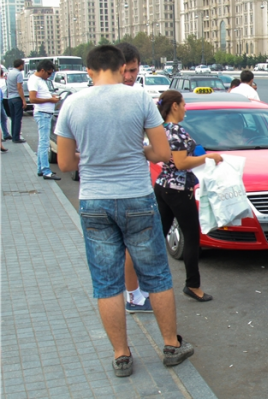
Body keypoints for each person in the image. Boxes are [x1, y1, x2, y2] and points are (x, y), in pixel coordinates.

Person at [55, 45, 194, 377]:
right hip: (136, 198)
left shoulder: (72, 104)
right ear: (121, 68)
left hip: (94, 202)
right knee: (157, 275)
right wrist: (137, 151)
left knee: (106, 283)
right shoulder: (140, 100)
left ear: (90, 71)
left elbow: (63, 163)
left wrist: (90, 158)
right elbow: (162, 152)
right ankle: (171, 346)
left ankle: (121, 355)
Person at [154, 90, 222, 302]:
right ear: (174, 106)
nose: (185, 109)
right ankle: (193, 285)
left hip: (163, 184)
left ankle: (146, 278)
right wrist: (208, 158)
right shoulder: (176, 131)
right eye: (183, 105)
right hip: (178, 189)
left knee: (158, 235)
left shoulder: (161, 129)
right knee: (192, 236)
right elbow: (181, 163)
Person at [116, 42, 153, 314]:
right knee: (134, 247)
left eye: (134, 70)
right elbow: (158, 149)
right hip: (130, 187)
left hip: (96, 192)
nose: (130, 76)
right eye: (126, 70)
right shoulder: (139, 98)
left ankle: (132, 293)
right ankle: (134, 296)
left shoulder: (85, 99)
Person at [28, 59, 61, 180]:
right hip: (42, 114)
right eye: (48, 73)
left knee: (43, 142)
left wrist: (50, 97)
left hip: (45, 113)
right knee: (44, 143)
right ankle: (46, 171)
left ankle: (40, 169)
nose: (49, 76)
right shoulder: (34, 80)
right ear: (42, 70)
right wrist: (50, 100)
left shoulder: (40, 80)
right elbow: (32, 99)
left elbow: (40, 96)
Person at [6, 59, 26, 143]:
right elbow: (19, 87)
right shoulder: (18, 74)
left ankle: (14, 136)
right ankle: (16, 137)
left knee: (13, 118)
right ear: (20, 65)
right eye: (23, 65)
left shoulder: (9, 73)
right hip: (17, 98)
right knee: (18, 118)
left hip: (10, 98)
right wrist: (23, 100)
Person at [1, 68, 11, 141]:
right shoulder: (3, 81)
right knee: (3, 117)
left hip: (1, 100)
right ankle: (4, 134)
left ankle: (5, 134)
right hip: (2, 100)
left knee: (3, 117)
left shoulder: (4, 80)